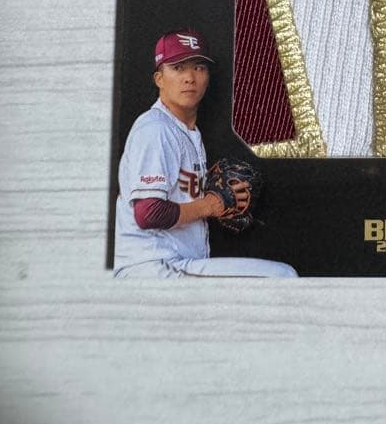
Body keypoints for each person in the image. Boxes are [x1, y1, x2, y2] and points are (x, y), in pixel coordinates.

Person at [114, 30, 297, 279]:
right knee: (281, 277)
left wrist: (219, 200)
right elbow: (149, 213)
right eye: (178, 68)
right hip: (151, 266)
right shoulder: (155, 129)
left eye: (198, 68)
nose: (189, 78)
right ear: (159, 78)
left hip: (175, 264)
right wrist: (212, 204)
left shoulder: (188, 133)